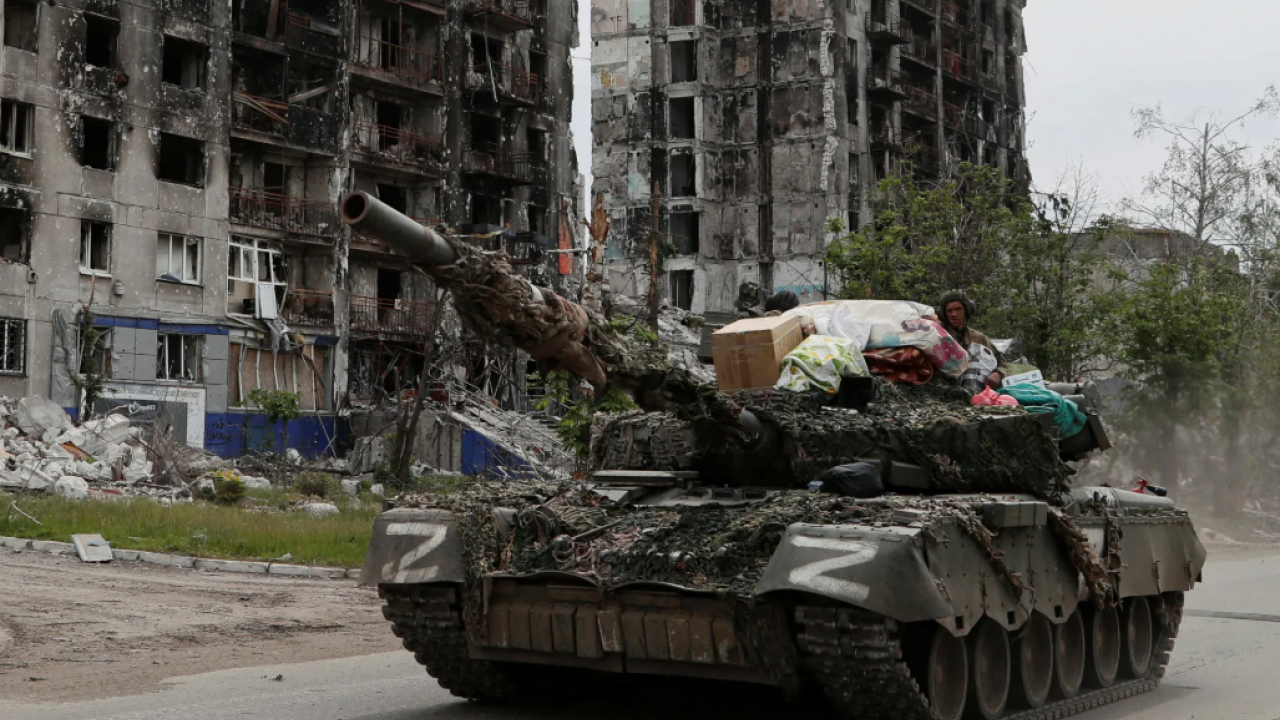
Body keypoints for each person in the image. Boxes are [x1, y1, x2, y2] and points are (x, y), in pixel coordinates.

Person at [937, 289, 1007, 388]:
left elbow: (1002, 362)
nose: (953, 314)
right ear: (944, 314)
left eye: (958, 309)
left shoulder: (978, 338)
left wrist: (998, 374)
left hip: (973, 386)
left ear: (966, 310)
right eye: (949, 311)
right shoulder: (937, 333)